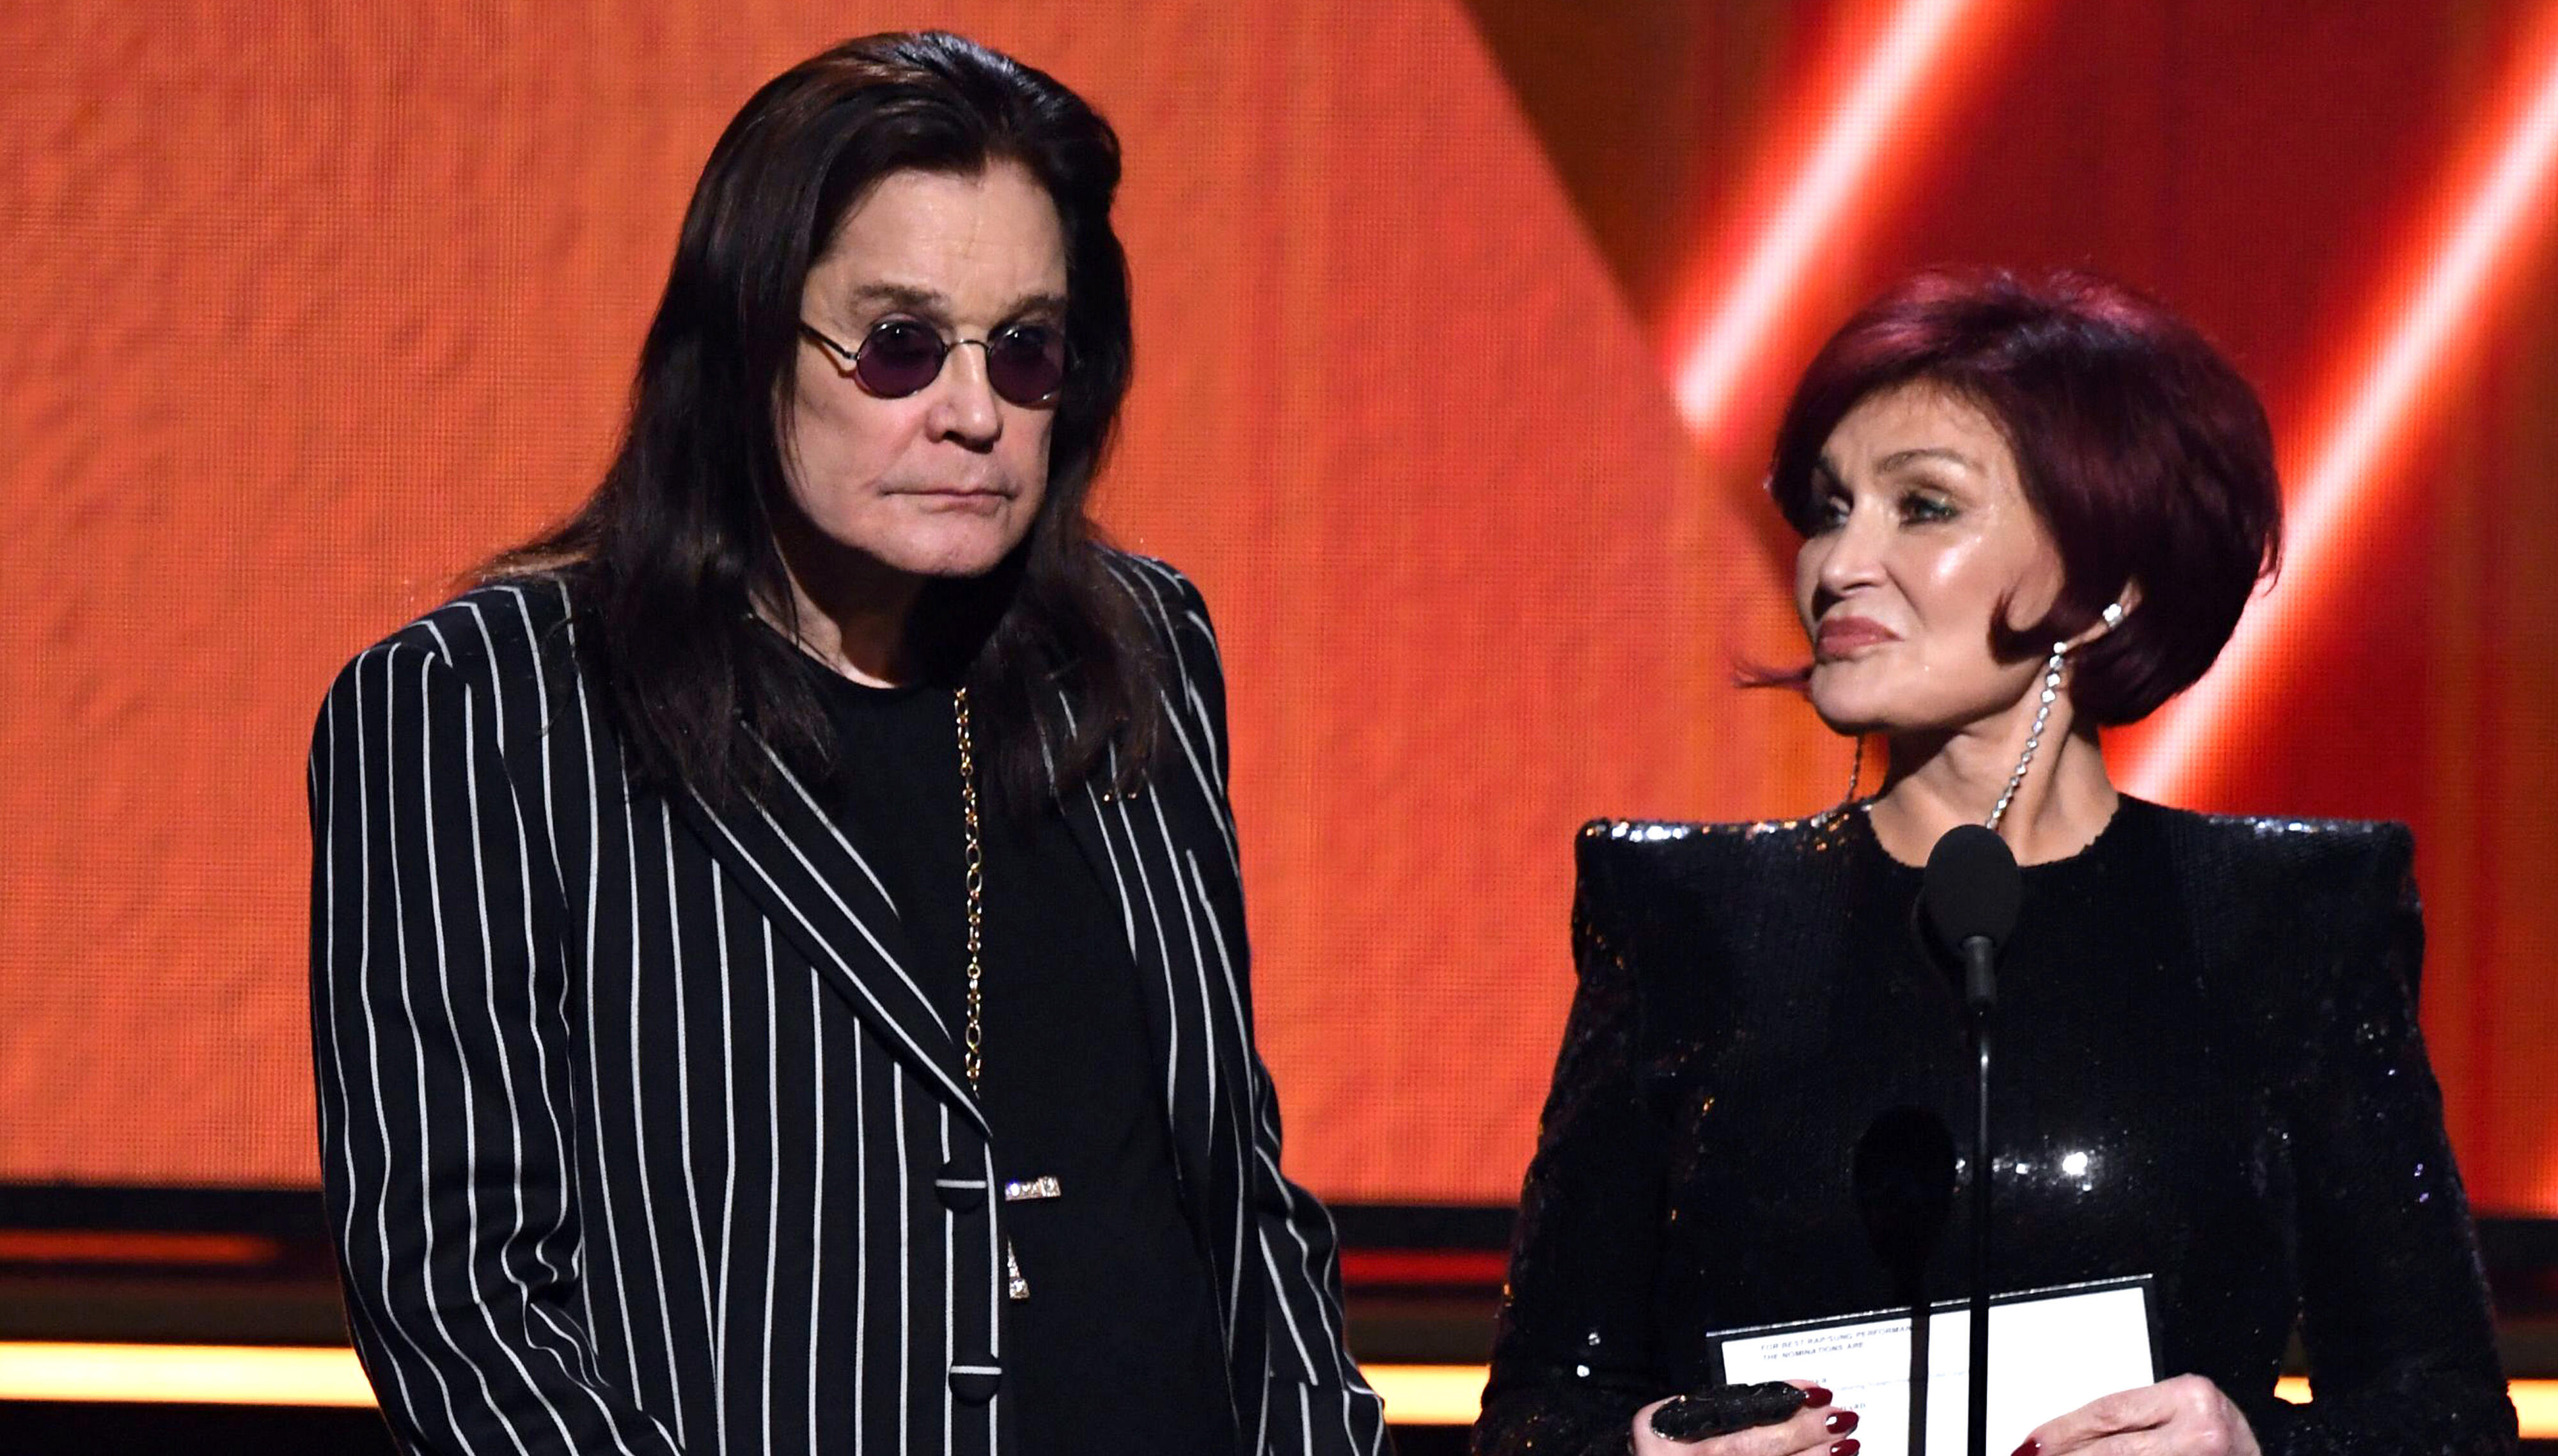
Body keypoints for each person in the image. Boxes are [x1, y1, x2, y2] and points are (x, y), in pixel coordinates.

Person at [308, 31, 1385, 1456]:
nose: (973, 413)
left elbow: (1235, 1198)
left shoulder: (1134, 652)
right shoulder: (484, 706)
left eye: (1025, 349)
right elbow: (460, 1306)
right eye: (899, 347)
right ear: (748, 347)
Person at [1473, 269, 2516, 1456]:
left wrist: (2256, 1448)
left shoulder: (2287, 921)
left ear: (2106, 581)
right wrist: (1635, 1451)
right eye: (1829, 508)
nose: (1838, 563)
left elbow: (2448, 1418)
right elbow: (1534, 1412)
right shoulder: (1686, 917)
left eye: (1922, 506)